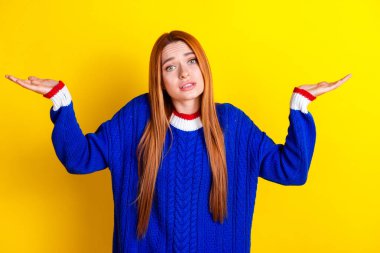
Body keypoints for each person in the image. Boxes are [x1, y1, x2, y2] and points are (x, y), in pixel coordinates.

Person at [5, 30, 351, 253]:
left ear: (204, 68)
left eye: (191, 61)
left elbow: (291, 171)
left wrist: (301, 105)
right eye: (170, 67)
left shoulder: (231, 123)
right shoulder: (138, 117)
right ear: (160, 80)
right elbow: (80, 158)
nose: (184, 73)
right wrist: (61, 101)